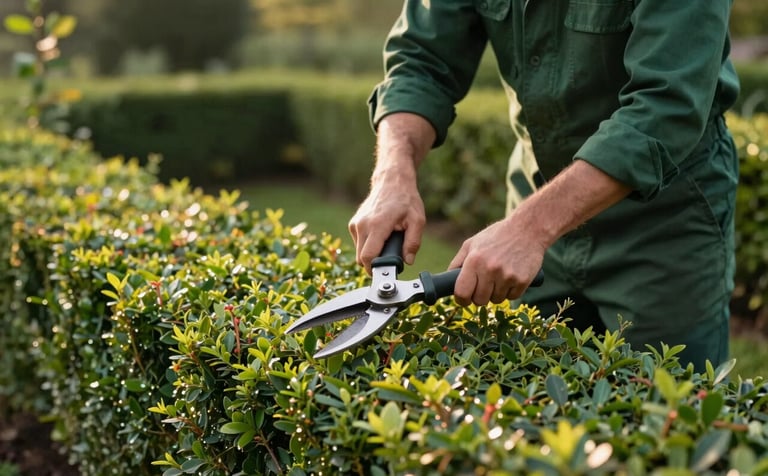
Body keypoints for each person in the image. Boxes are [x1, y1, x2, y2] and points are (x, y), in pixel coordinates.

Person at [347, 0, 740, 371]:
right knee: (527, 400)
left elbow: (666, 105)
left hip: (666, 225)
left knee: (669, 415)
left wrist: (530, 229)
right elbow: (421, 63)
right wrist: (391, 173)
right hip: (537, 204)